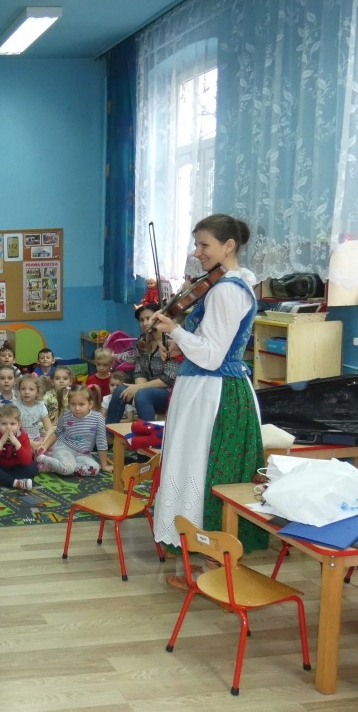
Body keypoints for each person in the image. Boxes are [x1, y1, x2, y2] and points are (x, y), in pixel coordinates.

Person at [149, 214, 267, 588]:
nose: (197, 252)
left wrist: (176, 331)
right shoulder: (231, 284)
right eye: (196, 244)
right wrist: (181, 343)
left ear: (228, 246)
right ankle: (208, 565)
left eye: (205, 245)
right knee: (200, 471)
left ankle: (213, 569)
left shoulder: (227, 290)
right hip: (206, 388)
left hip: (214, 394)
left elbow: (213, 356)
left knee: (206, 472)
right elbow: (211, 344)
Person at [107, 301, 178, 424]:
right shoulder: (143, 342)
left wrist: (138, 388)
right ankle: (108, 432)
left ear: (159, 318)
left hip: (171, 394)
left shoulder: (171, 342)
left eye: (149, 318)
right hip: (147, 390)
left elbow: (169, 379)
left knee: (143, 394)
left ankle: (148, 434)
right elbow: (139, 372)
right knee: (119, 391)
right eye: (141, 320)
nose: (145, 323)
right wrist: (137, 388)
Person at [39, 386, 110, 477]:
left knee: (95, 469)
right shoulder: (65, 416)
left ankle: (60, 466)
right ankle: (43, 459)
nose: (77, 408)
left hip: (83, 454)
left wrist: (104, 465)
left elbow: (101, 442)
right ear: (69, 404)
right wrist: (45, 445)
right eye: (73, 404)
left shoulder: (98, 418)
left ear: (90, 404)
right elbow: (56, 433)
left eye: (81, 404)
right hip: (64, 449)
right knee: (68, 468)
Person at [0, 405, 38, 490]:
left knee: (33, 469)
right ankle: (16, 483)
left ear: (19, 425)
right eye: (4, 424)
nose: (8, 427)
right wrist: (1, 441)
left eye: (12, 424)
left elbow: (27, 461)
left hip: (16, 467)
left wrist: (16, 443)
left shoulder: (23, 436)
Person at [13, 374, 54, 456]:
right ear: (19, 390)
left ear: (37, 391)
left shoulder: (40, 405)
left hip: (36, 438)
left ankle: (41, 456)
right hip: (19, 439)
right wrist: (30, 443)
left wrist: (44, 443)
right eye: (23, 389)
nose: (26, 392)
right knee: (26, 451)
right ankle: (38, 457)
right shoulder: (15, 406)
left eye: (31, 389)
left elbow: (49, 428)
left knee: (52, 445)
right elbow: (14, 431)